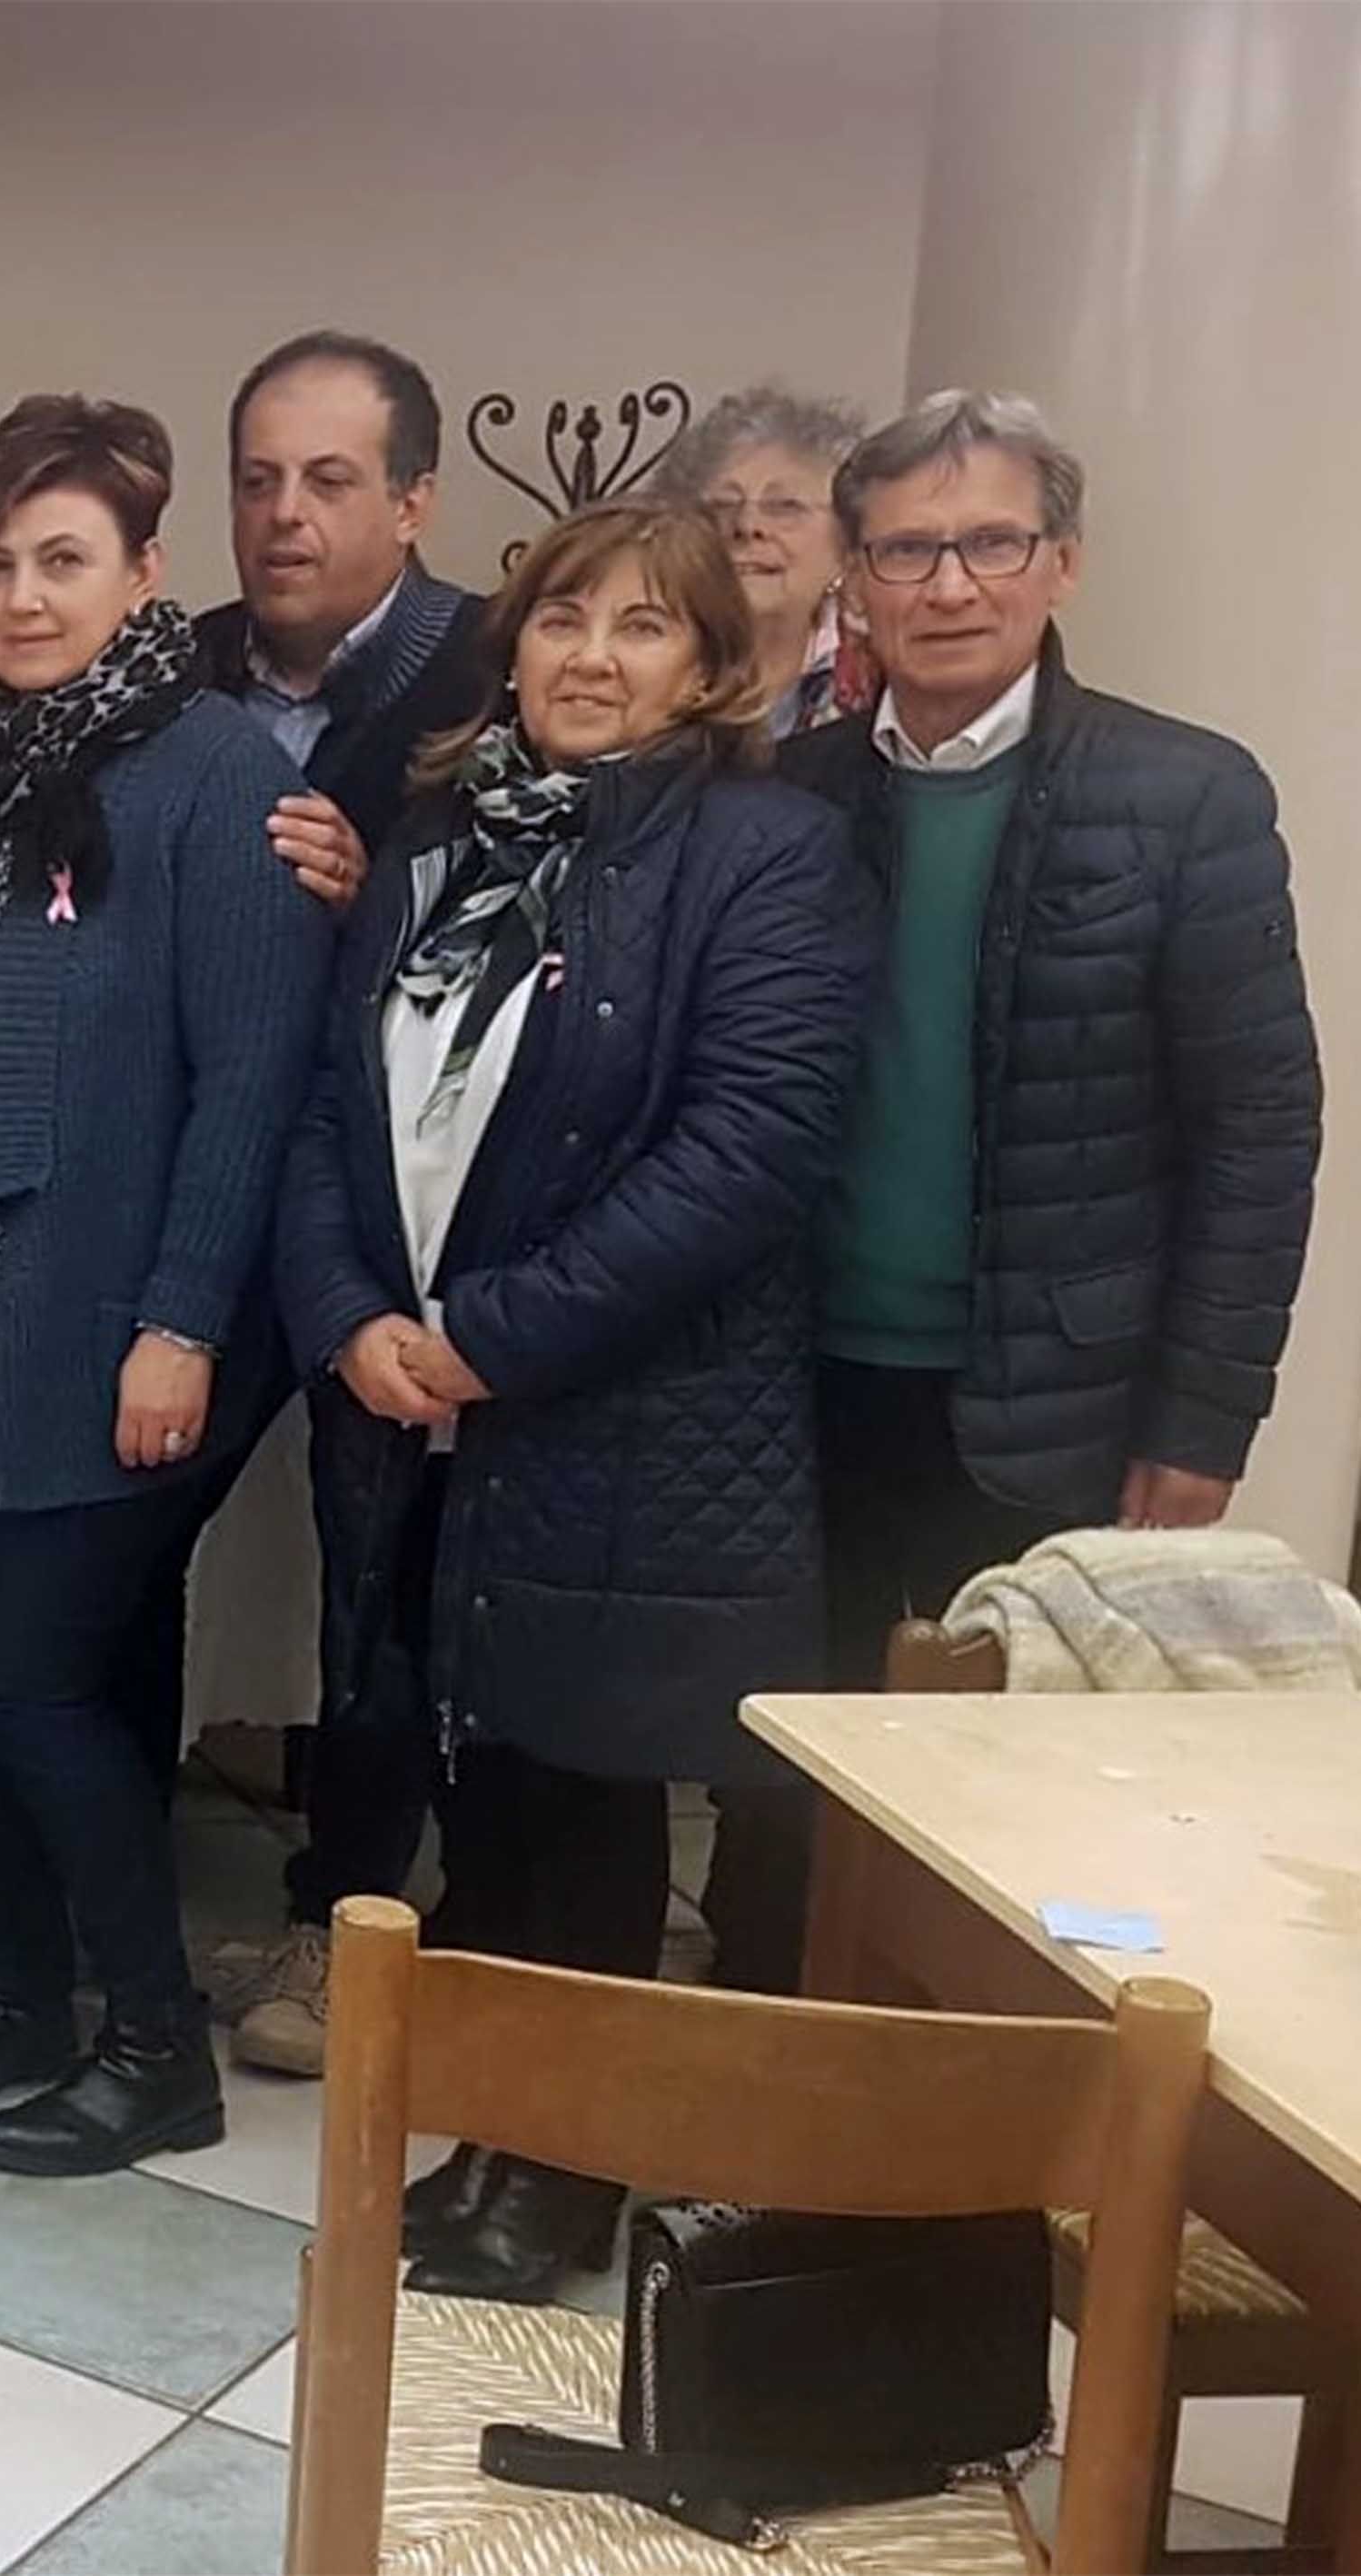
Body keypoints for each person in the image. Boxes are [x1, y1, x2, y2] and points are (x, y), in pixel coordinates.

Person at [274, 500, 876, 2296]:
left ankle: (564, 2174)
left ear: (705, 667)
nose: (590, 658)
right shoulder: (438, 841)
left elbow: (747, 1151)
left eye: (639, 627)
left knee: (585, 1797)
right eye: (560, 620)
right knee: (487, 1792)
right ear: (513, 642)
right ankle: (500, 2140)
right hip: (419, 1408)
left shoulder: (768, 853)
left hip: (624, 1412)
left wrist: (493, 1335)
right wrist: (346, 1315)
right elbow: (333, 1112)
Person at [735, 391, 1321, 1992]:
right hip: (795, 1375)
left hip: (1055, 1394)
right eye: (906, 549)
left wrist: (1203, 1418)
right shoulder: (783, 792)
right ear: (853, 576)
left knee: (1011, 1794)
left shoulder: (1185, 795)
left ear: (1061, 562)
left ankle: (972, 2105)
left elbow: (1259, 1125)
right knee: (781, 1765)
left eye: (990, 543)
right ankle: (768, 2071)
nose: (948, 585)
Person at [0, 395, 330, 2178]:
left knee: (27, 1673)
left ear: (143, 573)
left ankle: (152, 2043)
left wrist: (179, 1320)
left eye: (63, 560)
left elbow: (249, 1085)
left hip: (98, 1322)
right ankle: (17, 1994)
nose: (24, 597)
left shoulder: (221, 786)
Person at [196, 333, 496, 2079]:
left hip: (394, 1217)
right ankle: (64, 1900)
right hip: (200, 1187)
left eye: (326, 480)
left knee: (377, 1583)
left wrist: (377, 891)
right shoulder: (179, 669)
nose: (284, 515)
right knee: (108, 1536)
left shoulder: (494, 672)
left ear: (412, 499)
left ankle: (343, 1926)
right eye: (257, 479)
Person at [649, 385, 874, 741]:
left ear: (848, 542)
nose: (747, 526)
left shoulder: (879, 678)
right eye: (721, 506)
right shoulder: (642, 662)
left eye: (785, 506)